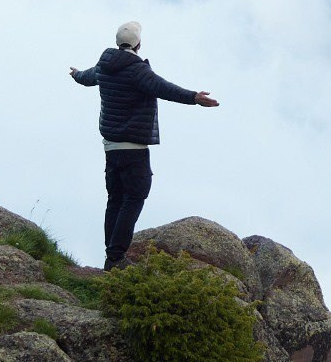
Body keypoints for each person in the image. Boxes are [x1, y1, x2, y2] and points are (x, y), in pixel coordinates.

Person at [69, 21, 219, 270]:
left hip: (111, 148)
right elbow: (164, 88)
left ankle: (112, 256)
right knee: (134, 197)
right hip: (134, 149)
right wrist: (194, 98)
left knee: (115, 200)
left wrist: (75, 75)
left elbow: (86, 77)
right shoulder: (137, 70)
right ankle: (116, 258)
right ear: (139, 44)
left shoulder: (104, 65)